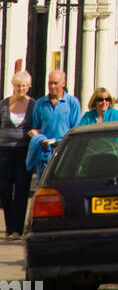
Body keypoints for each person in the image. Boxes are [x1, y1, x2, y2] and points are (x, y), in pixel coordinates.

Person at [26, 70, 82, 180]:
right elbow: (36, 127)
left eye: (55, 83)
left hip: (65, 151)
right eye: (50, 83)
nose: (52, 86)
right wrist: (36, 135)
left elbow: (76, 130)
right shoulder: (40, 103)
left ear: (63, 84)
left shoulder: (72, 102)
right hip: (45, 153)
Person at [0, 71, 35, 238]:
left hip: (24, 150)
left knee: (22, 188)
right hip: (4, 150)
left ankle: (17, 229)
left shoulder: (34, 105)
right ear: (13, 86)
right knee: (4, 188)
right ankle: (9, 225)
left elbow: (39, 124)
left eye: (23, 86)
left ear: (28, 87)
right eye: (17, 86)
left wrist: (37, 132)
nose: (20, 89)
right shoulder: (3, 104)